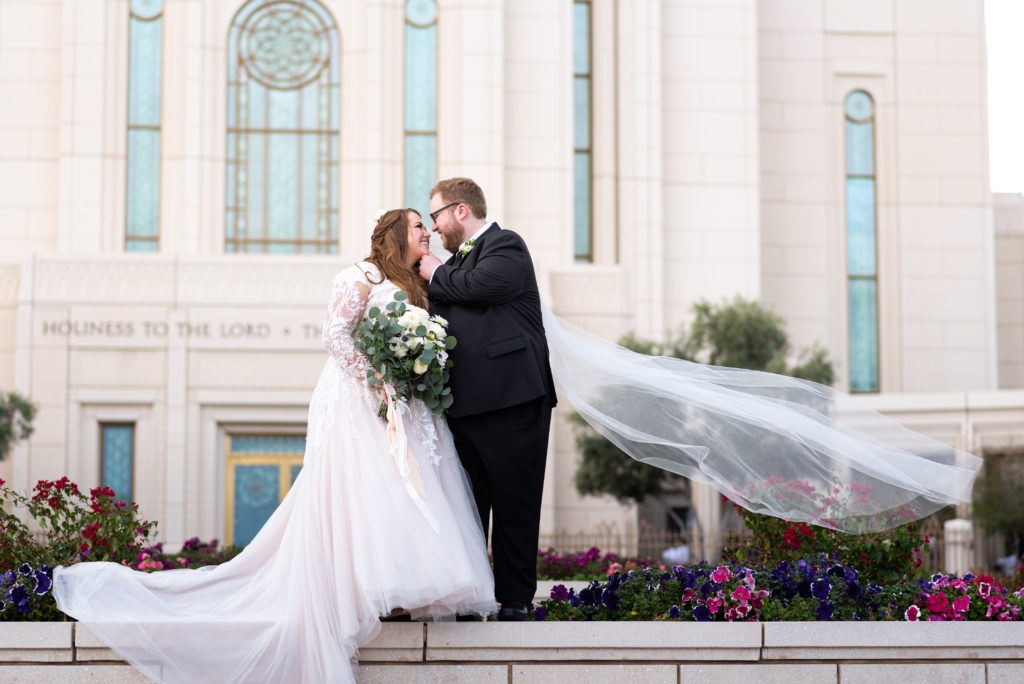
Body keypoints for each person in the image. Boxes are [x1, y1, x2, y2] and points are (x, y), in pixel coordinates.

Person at [53, 209, 496, 684]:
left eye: (427, 226)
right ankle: (367, 594)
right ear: (394, 235)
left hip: (405, 406)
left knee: (410, 488)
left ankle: (406, 595)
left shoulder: (420, 286)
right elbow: (335, 335)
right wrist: (379, 377)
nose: (426, 233)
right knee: (367, 491)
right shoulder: (361, 275)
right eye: (417, 227)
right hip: (359, 402)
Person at [418, 178, 557, 621]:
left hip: (512, 400)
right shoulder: (454, 266)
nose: (434, 227)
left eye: (436, 215)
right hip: (463, 407)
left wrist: (437, 273)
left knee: (514, 502)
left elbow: (480, 287)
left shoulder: (505, 245)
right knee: (468, 506)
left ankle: (514, 601)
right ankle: (471, 597)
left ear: (461, 211)